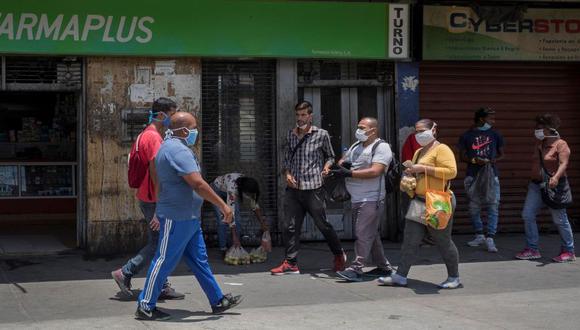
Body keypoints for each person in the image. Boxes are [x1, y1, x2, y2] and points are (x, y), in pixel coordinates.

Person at [135, 112, 242, 320]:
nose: (196, 131)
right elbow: (197, 183)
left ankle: (217, 300)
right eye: (194, 128)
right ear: (184, 130)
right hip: (176, 217)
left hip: (189, 217)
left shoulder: (176, 147)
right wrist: (223, 206)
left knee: (199, 261)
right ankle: (145, 305)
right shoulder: (176, 150)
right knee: (163, 260)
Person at [111, 97, 183, 300]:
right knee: (159, 244)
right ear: (161, 115)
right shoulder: (153, 138)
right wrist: (162, 205)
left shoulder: (146, 134)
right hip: (154, 199)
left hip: (149, 196)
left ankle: (161, 284)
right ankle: (125, 272)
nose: (174, 118)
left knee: (160, 243)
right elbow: (156, 172)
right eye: (172, 113)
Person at [378, 119, 461, 289]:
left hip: (438, 202)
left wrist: (422, 169)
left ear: (434, 130)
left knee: (443, 240)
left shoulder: (442, 149)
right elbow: (418, 173)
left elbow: (451, 172)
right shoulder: (419, 152)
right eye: (416, 131)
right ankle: (400, 275)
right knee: (410, 239)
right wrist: (410, 174)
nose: (419, 134)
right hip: (419, 200)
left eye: (422, 130)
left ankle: (454, 277)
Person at [271, 101, 346, 275]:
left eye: (304, 115)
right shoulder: (290, 135)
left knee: (323, 225)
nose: (300, 118)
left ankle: (338, 255)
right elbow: (287, 158)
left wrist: (327, 167)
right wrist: (287, 174)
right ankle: (291, 263)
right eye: (298, 115)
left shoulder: (321, 134)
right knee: (290, 226)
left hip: (314, 187)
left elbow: (330, 156)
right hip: (294, 188)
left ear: (310, 116)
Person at [331, 117, 394, 282]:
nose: (358, 130)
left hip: (371, 198)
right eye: (358, 127)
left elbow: (376, 171)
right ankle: (384, 267)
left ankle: (356, 268)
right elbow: (343, 160)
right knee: (370, 234)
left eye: (362, 127)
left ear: (373, 130)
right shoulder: (356, 146)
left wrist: (350, 173)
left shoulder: (382, 147)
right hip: (356, 197)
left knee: (362, 233)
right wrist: (341, 166)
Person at [515, 114, 575, 263]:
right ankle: (532, 249)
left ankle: (569, 251)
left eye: (539, 128)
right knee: (527, 215)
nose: (537, 130)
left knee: (559, 219)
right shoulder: (540, 144)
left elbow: (564, 163)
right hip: (536, 185)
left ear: (549, 129)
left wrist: (555, 177)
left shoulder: (561, 144)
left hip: (554, 186)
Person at [459, 107, 504, 252]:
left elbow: (502, 154)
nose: (493, 121)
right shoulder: (467, 136)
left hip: (491, 175)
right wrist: (474, 160)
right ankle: (479, 235)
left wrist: (492, 161)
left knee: (493, 205)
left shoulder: (495, 134)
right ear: (481, 119)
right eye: (490, 118)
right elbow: (462, 156)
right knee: (473, 207)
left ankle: (490, 237)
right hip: (472, 175)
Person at [210, 173, 270, 254]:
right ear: (243, 190)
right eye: (248, 194)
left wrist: (262, 223)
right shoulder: (233, 188)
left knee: (237, 219)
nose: (249, 196)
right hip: (216, 191)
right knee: (222, 221)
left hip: (228, 190)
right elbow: (230, 212)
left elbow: (254, 205)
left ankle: (235, 247)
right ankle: (223, 248)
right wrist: (234, 235)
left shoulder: (250, 187)